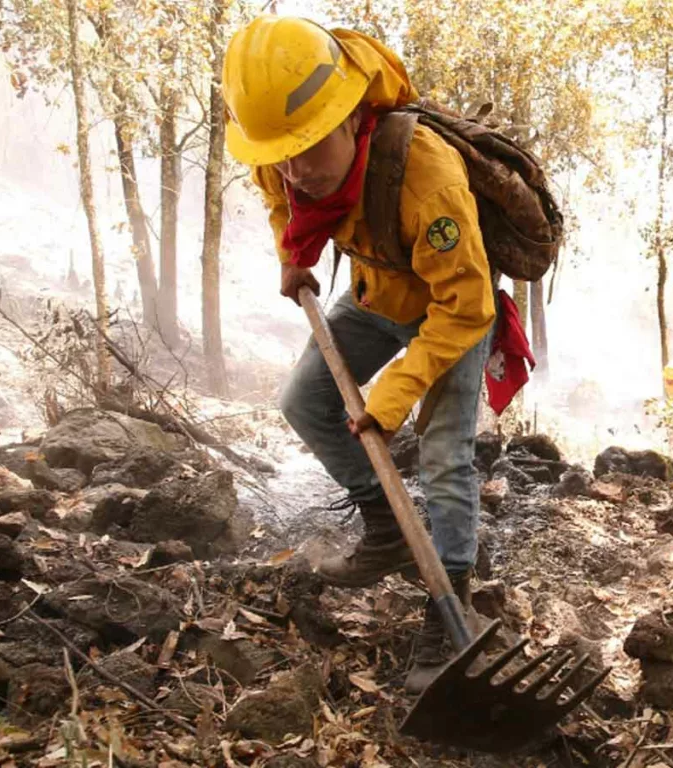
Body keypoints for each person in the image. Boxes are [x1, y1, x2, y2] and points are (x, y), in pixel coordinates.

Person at [222, 16, 496, 693]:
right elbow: (275, 193)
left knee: (443, 457)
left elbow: (468, 305)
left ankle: (452, 597)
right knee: (302, 401)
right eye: (283, 153)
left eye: (310, 149)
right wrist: (294, 256)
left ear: (351, 117)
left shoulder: (426, 178)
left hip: (447, 313)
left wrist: (398, 390)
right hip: (376, 295)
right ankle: (388, 525)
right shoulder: (280, 145)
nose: (296, 168)